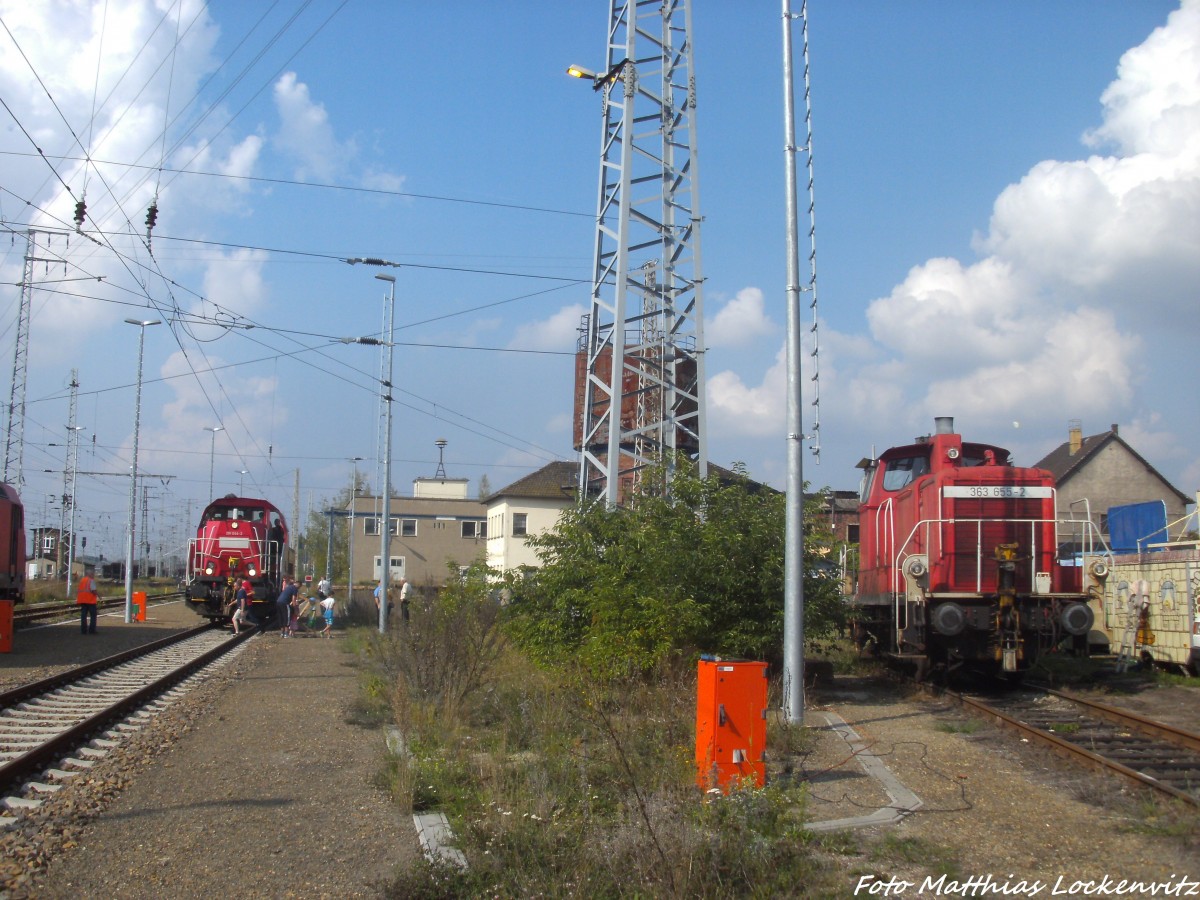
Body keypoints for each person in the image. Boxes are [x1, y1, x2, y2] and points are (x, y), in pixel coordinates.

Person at [76, 570, 99, 634]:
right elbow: (93, 590)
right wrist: (99, 595)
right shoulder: (91, 580)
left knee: (83, 616)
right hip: (90, 601)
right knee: (93, 615)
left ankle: (83, 630)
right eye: (93, 574)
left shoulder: (82, 580)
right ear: (90, 574)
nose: (93, 575)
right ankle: (92, 630)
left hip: (82, 600)